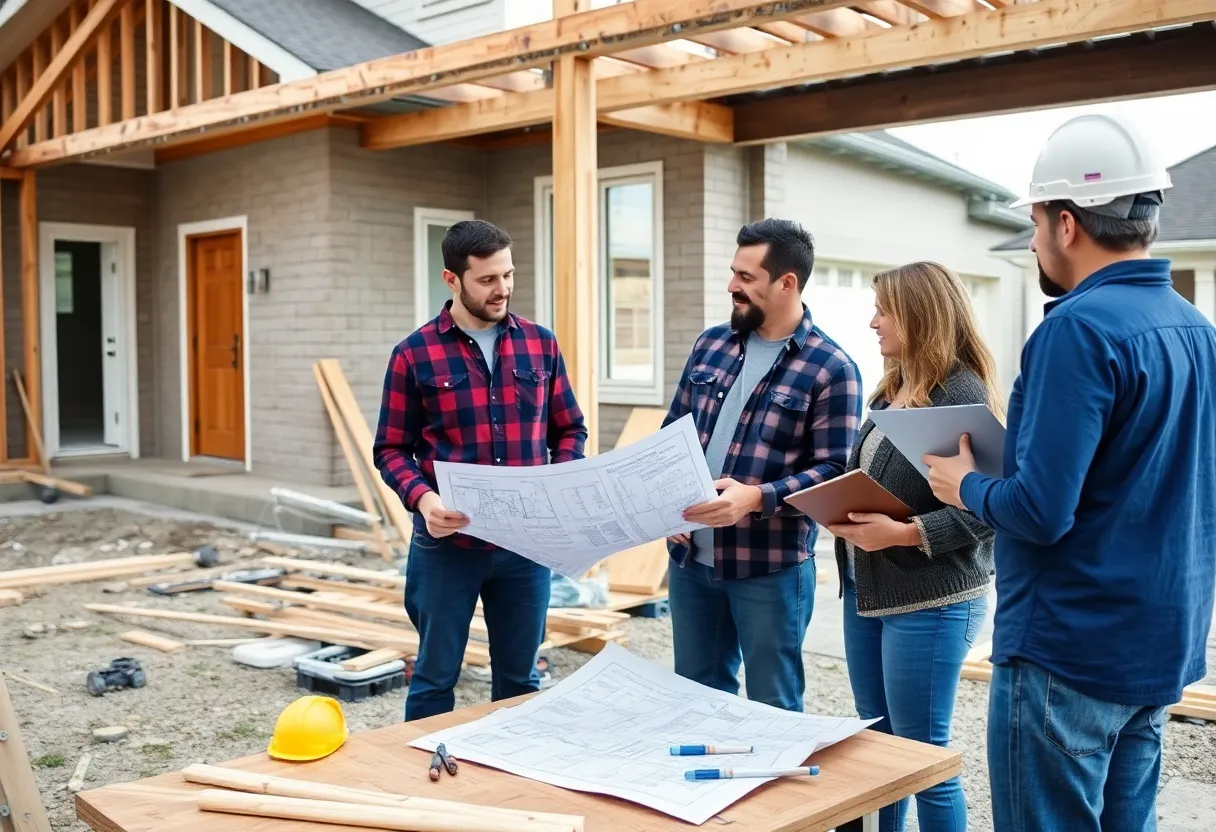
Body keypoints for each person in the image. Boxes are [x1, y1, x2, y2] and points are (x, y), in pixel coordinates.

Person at [923, 113, 1216, 830]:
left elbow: (1042, 510)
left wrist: (964, 484)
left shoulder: (1076, 331)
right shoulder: (1197, 329)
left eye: (1033, 221)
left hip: (1069, 651)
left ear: (1065, 222)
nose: (1032, 238)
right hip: (1160, 641)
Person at [373, 219, 588, 722]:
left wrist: (564, 478)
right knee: (434, 677)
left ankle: (513, 781)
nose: (503, 289)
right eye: (488, 279)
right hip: (448, 547)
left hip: (525, 545)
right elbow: (390, 449)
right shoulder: (413, 354)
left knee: (519, 680)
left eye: (508, 275)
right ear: (453, 280)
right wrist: (425, 501)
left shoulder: (541, 344)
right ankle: (422, 789)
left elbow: (570, 430)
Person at [827, 261, 999, 832]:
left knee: (922, 755)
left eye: (884, 310)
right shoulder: (892, 387)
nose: (873, 322)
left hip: (931, 599)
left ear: (920, 315)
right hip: (869, 591)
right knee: (876, 742)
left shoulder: (960, 393)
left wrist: (902, 533)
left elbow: (988, 510)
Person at [664, 218, 862, 712]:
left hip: (768, 570)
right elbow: (672, 437)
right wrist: (664, 508)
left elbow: (835, 472)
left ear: (786, 282)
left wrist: (757, 498)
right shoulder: (710, 345)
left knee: (773, 709)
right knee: (695, 701)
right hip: (691, 563)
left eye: (746, 278)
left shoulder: (831, 368)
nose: (732, 286)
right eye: (734, 273)